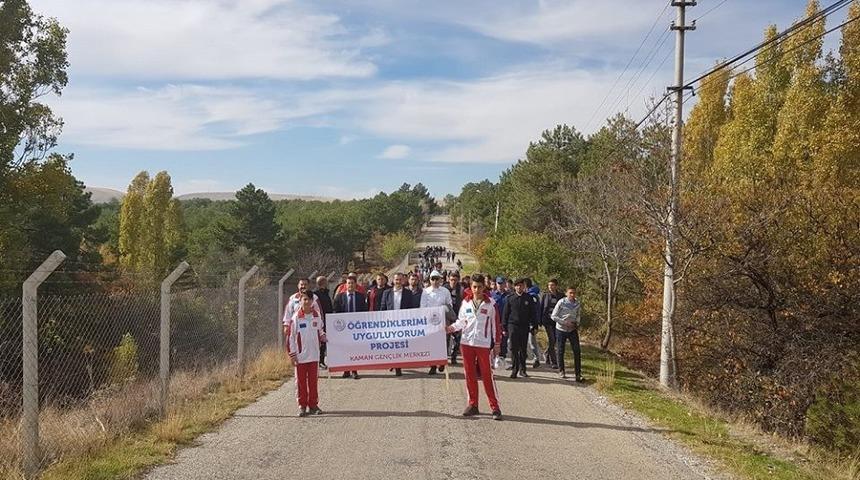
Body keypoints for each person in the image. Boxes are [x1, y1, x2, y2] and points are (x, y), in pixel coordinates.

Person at [447, 274, 502, 420]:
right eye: (474, 287)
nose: (477, 290)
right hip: (466, 343)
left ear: (484, 287)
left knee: (486, 376)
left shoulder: (491, 303)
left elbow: (495, 326)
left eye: (479, 287)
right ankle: (473, 404)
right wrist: (450, 328)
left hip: (483, 344)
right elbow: (461, 321)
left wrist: (497, 344)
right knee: (469, 375)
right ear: (471, 287)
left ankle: (495, 407)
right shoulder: (465, 302)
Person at [285, 290, 326, 417]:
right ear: (301, 301)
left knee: (313, 382)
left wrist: (328, 338)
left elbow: (320, 332)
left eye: (309, 299)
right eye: (304, 299)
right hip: (301, 357)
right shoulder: (296, 317)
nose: (307, 302)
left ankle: (313, 405)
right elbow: (290, 337)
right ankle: (302, 406)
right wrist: (293, 355)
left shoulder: (317, 315)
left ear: (312, 301)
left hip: (314, 356)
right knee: (301, 382)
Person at [381, 272, 415, 376]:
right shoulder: (387, 292)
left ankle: (398, 366)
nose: (398, 282)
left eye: (400, 280)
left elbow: (411, 308)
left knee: (399, 345)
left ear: (403, 281)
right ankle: (394, 363)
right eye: (396, 280)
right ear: (393, 281)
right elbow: (383, 307)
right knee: (391, 345)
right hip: (389, 323)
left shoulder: (408, 293)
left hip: (403, 323)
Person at [502, 278, 537, 378]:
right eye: (517, 285)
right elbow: (505, 313)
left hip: (524, 326)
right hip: (513, 326)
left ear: (524, 286)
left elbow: (532, 313)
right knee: (513, 348)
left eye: (521, 285)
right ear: (514, 287)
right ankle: (514, 370)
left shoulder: (528, 298)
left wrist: (534, 325)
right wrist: (504, 327)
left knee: (523, 349)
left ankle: (523, 370)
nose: (519, 287)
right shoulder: (510, 298)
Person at [333, 275, 365, 379]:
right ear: (345, 285)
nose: (350, 285)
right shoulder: (339, 297)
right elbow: (336, 312)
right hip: (344, 328)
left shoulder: (360, 297)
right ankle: (346, 370)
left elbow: (364, 311)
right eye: (348, 283)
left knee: (354, 349)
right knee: (345, 349)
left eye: (352, 283)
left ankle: (354, 370)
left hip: (356, 328)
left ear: (355, 284)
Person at [420, 270, 452, 375]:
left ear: (440, 280)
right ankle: (433, 365)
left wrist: (442, 309)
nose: (434, 281)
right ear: (430, 280)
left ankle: (442, 362)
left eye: (436, 279)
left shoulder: (445, 291)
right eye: (432, 279)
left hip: (442, 320)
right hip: (430, 322)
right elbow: (422, 306)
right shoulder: (425, 292)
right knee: (431, 344)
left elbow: (449, 305)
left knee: (443, 343)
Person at [552, 286, 583, 381]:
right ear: (566, 293)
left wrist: (576, 323)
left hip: (572, 330)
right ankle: (561, 370)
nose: (572, 295)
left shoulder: (577, 303)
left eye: (574, 293)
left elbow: (578, 315)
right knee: (560, 350)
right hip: (561, 329)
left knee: (577, 351)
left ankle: (578, 373)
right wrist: (564, 322)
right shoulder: (561, 302)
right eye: (570, 293)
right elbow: (553, 316)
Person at [540, 279, 564, 370]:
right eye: (549, 285)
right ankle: (554, 362)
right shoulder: (545, 295)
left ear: (556, 286)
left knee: (555, 340)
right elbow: (541, 308)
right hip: (547, 321)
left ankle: (546, 353)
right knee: (552, 339)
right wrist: (540, 321)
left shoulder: (561, 296)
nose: (550, 287)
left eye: (552, 285)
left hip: (557, 321)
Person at [314, 275, 334, 369]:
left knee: (323, 341)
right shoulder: (315, 295)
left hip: (327, 320)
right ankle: (317, 360)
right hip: (319, 320)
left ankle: (321, 360)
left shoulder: (326, 293)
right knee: (319, 342)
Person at [444, 271, 464, 365]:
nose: (453, 282)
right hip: (447, 317)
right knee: (446, 339)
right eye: (452, 280)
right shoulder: (444, 289)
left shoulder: (461, 289)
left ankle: (454, 356)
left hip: (458, 317)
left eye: (455, 280)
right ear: (448, 279)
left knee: (458, 339)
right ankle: (445, 357)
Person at [524, 278, 544, 368]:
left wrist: (536, 322)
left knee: (531, 341)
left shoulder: (532, 296)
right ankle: (525, 357)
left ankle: (536, 358)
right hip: (525, 322)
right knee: (527, 341)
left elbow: (536, 310)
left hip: (531, 322)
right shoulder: (529, 294)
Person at [491, 276, 510, 369]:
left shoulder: (509, 296)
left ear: (505, 284)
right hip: (494, 322)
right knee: (493, 341)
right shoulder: (492, 295)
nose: (500, 285)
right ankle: (494, 359)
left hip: (505, 322)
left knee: (504, 342)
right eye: (498, 283)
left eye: (502, 283)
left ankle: (502, 359)